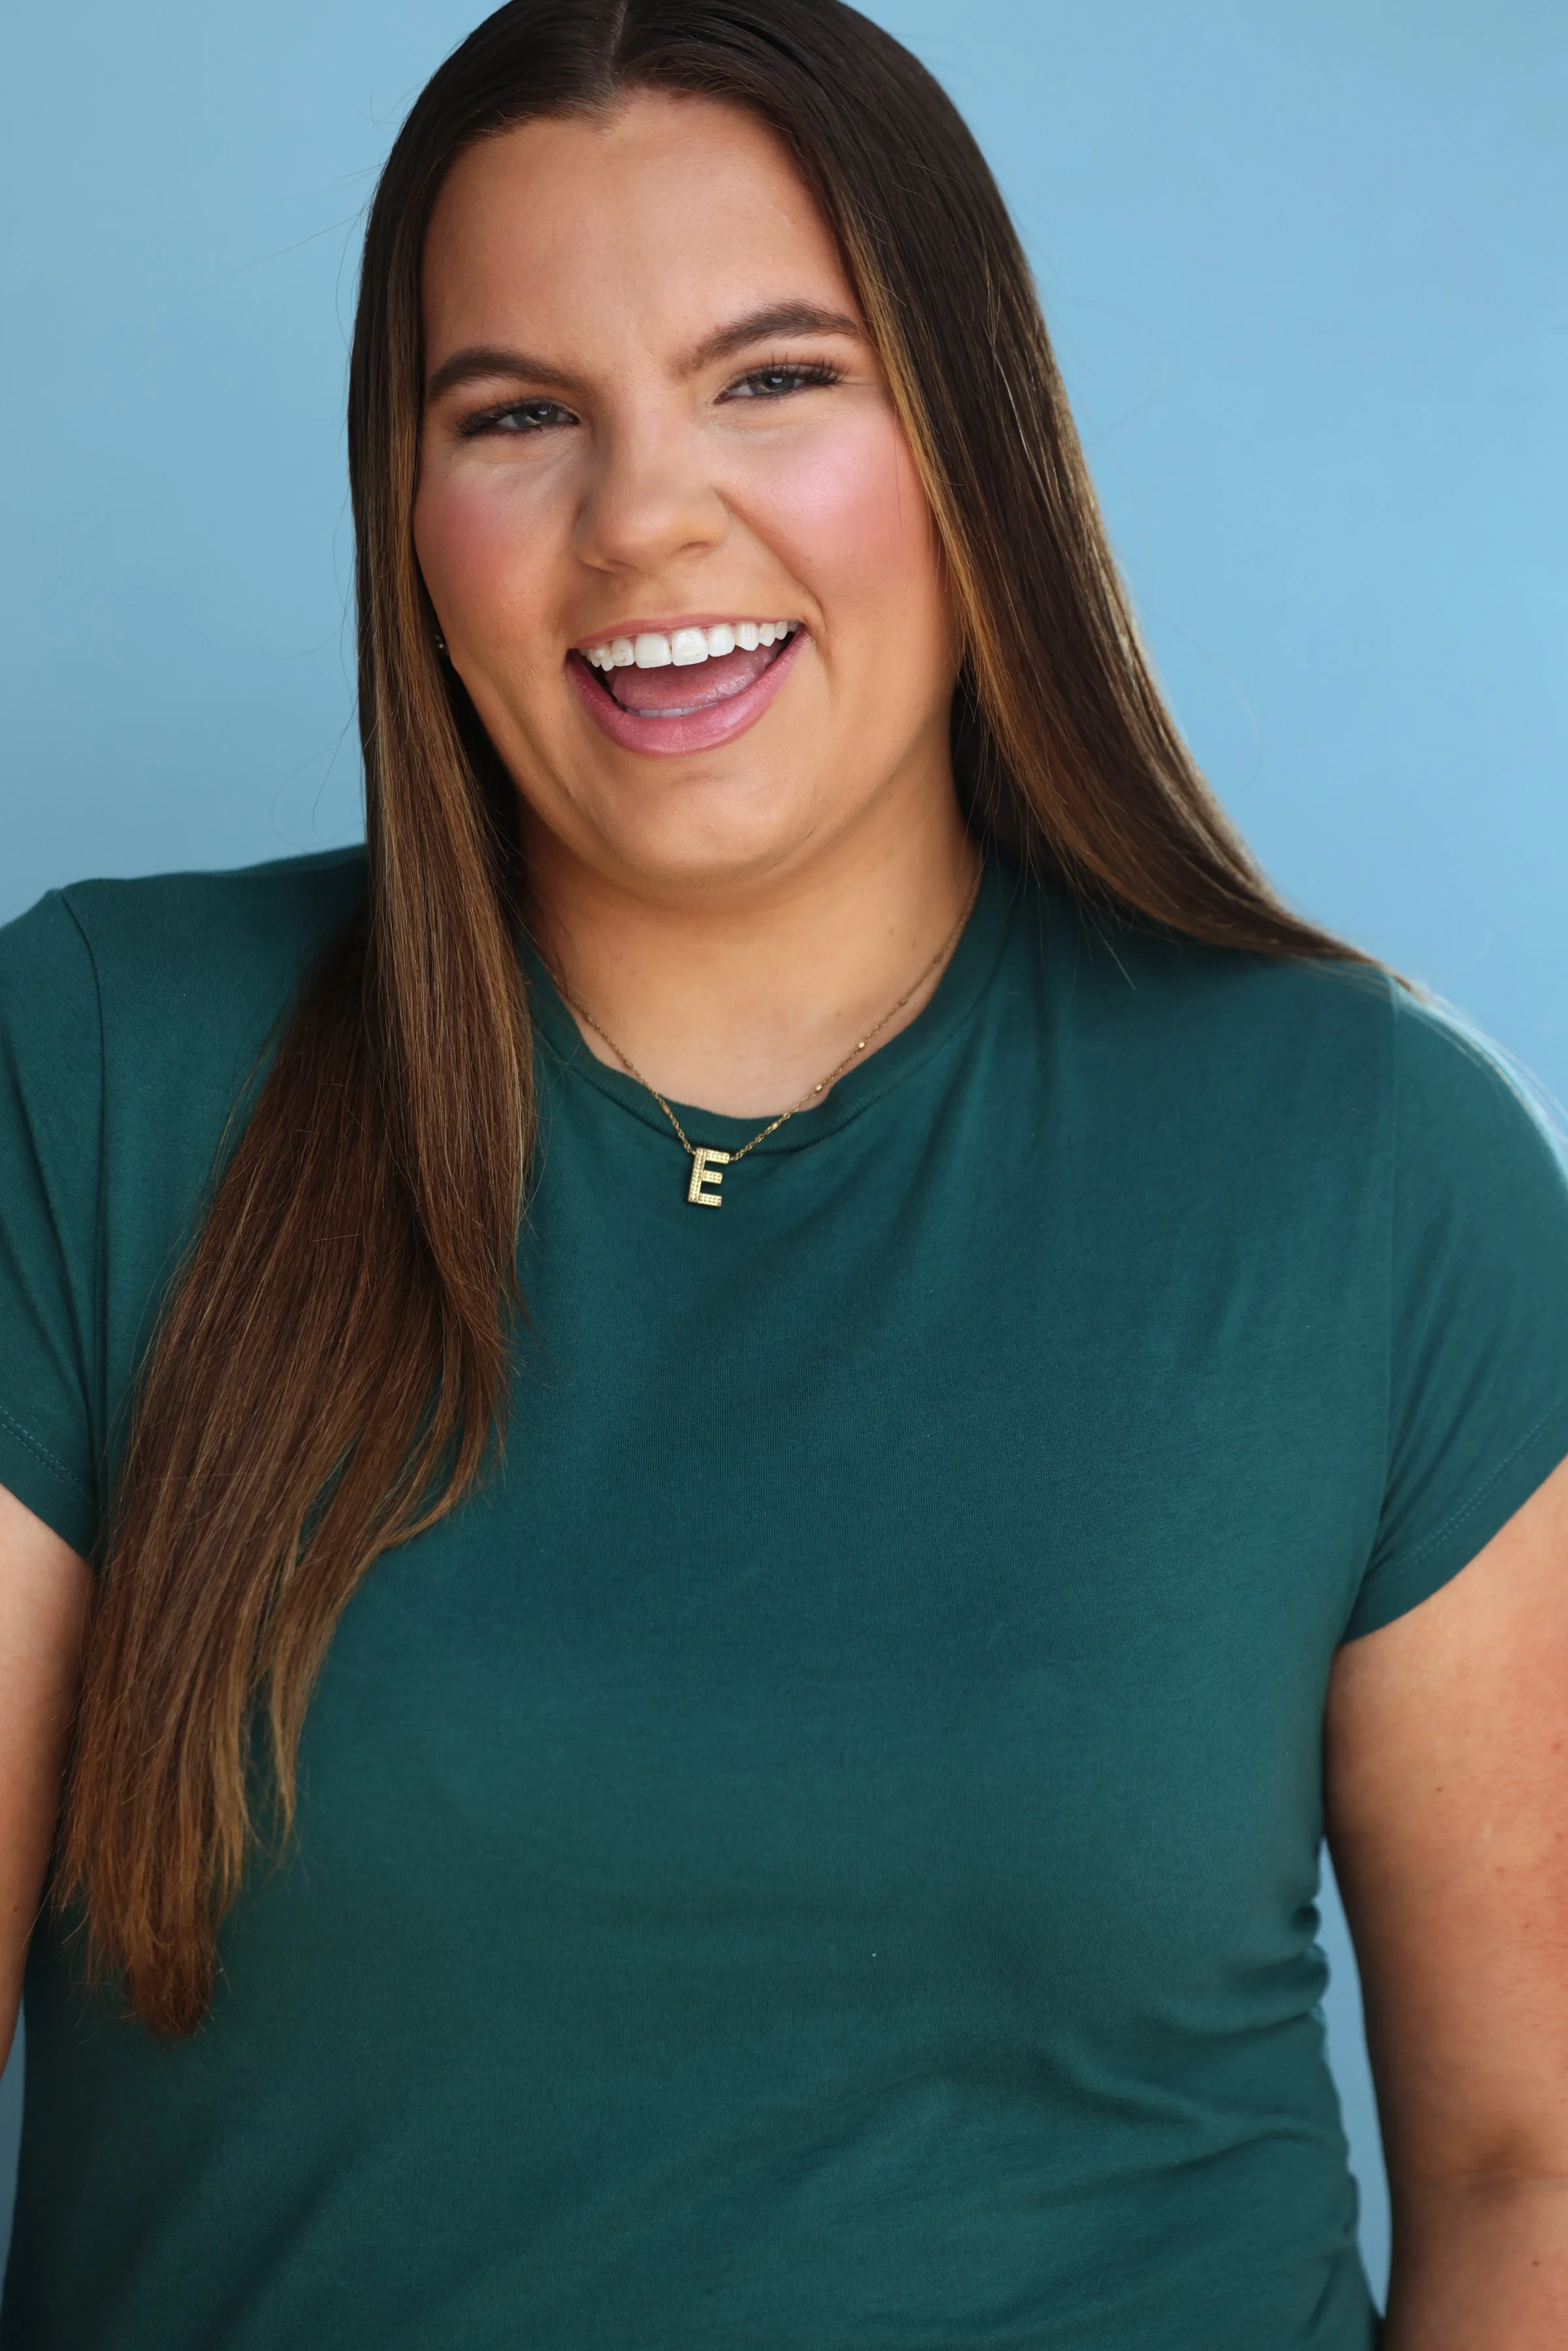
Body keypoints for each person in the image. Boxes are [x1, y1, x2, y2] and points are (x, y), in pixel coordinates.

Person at [2, 2, 1566, 2343]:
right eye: (515, 413)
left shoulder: (1377, 1158)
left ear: (968, 436)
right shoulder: (103, 1072)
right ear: (404, 511)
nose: (645, 515)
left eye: (772, 378)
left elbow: (1529, 2164)